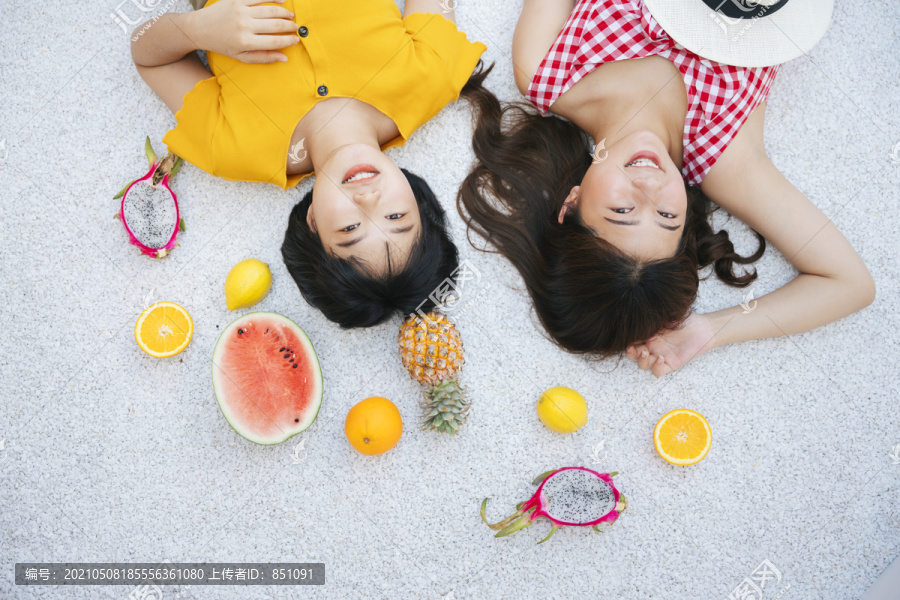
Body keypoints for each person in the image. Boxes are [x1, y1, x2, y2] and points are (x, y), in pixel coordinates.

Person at [457, 0, 874, 376]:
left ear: (572, 202)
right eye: (667, 216)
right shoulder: (726, 158)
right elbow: (848, 283)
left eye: (622, 211)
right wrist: (708, 330)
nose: (650, 187)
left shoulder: (545, 71)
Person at [131, 0, 489, 327]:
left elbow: (145, 50)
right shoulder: (432, 77)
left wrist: (197, 29)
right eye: (396, 218)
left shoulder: (233, 148)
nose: (367, 200)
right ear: (416, 199)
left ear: (314, 221)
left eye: (349, 229)